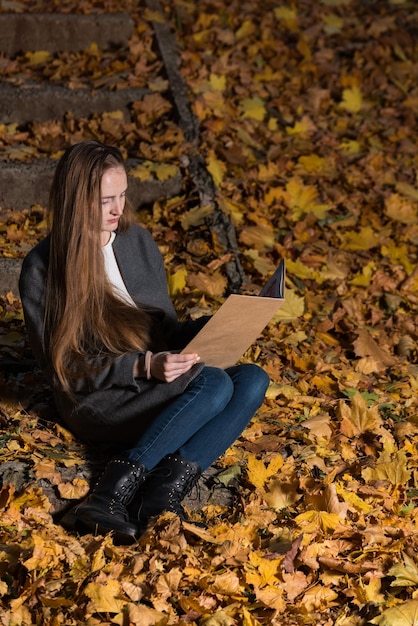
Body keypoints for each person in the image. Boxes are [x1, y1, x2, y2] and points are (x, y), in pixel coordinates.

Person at [19, 140, 270, 544]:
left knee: (253, 379)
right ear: (74, 200)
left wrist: (221, 325)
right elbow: (65, 368)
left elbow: (164, 330)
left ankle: (159, 496)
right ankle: (106, 495)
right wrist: (142, 366)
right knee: (215, 384)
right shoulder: (43, 268)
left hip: (155, 378)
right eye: (106, 200)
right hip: (100, 394)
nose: (119, 209)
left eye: (122, 195)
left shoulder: (136, 242)